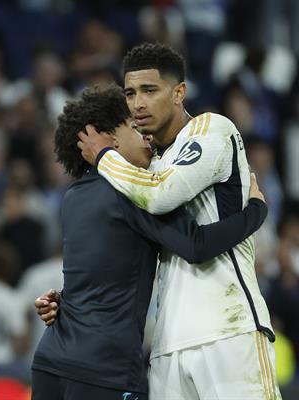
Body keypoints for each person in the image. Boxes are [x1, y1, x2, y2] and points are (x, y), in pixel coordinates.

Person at [31, 84, 268, 400]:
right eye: (132, 125)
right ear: (107, 140)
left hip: (51, 361)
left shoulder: (73, 196)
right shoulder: (132, 194)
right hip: (106, 371)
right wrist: (255, 211)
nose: (146, 133)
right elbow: (196, 245)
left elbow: (101, 271)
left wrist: (63, 299)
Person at [74, 42, 281, 399]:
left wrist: (104, 157)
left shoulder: (211, 130)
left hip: (228, 331)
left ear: (179, 92)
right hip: (167, 345)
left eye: (150, 90)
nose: (138, 103)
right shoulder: (146, 167)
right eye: (131, 93)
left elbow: (160, 193)